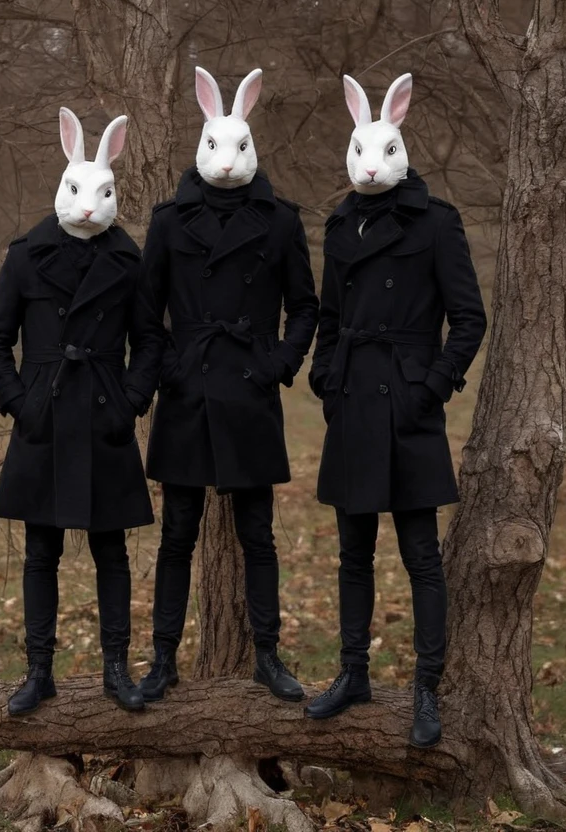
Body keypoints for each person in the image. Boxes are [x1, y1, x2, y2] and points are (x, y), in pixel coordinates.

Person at [304, 73, 486, 748]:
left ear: (400, 142)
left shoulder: (437, 223)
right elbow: (328, 315)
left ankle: (426, 693)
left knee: (420, 556)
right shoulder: (340, 222)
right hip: (353, 398)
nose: (372, 164)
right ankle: (353, 674)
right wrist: (326, 377)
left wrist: (430, 388)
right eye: (362, 150)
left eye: (383, 149)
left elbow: (469, 319)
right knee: (353, 551)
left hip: (407, 405)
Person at [137, 66, 319, 704]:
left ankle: (267, 656)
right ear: (202, 140)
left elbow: (305, 308)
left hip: (248, 389)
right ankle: (162, 661)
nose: (225, 159)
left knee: (257, 533)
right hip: (188, 391)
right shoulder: (166, 223)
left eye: (237, 145)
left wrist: (276, 365)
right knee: (177, 532)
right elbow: (144, 310)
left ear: (251, 144)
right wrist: (169, 367)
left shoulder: (279, 221)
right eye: (216, 143)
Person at [0, 108, 163, 715]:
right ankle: (40, 671)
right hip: (45, 415)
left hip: (105, 412)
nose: (88, 206)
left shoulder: (129, 261)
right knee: (42, 550)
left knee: (111, 549)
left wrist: (131, 403)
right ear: (63, 184)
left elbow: (151, 342)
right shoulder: (26, 256)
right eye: (78, 192)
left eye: (101, 194)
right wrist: (18, 402)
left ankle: (117, 668)